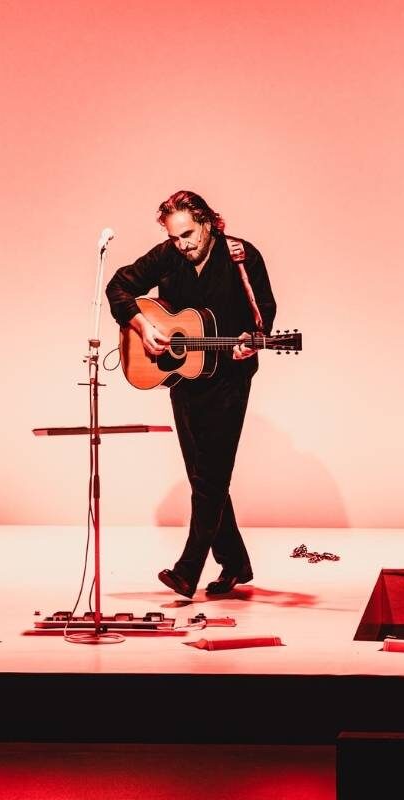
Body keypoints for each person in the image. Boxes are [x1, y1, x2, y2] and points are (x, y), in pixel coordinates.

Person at [105, 190, 278, 598]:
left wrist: (252, 340)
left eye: (188, 235)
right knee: (204, 476)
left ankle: (187, 570)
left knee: (211, 478)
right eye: (175, 237)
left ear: (207, 222)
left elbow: (264, 312)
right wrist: (143, 327)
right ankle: (235, 563)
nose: (183, 245)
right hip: (183, 378)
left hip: (229, 379)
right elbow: (119, 286)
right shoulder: (168, 254)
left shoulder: (241, 256)